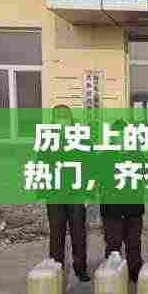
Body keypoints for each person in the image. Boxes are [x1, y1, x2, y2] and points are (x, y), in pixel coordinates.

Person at [43, 105, 90, 282]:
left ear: (70, 119)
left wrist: (88, 192)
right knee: (56, 233)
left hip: (75, 194)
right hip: (54, 194)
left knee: (78, 232)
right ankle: (56, 268)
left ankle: (80, 268)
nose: (61, 121)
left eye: (64, 117)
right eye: (58, 118)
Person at [99, 118, 145, 283]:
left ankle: (135, 271)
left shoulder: (137, 155)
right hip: (112, 210)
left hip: (133, 209)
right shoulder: (105, 156)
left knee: (134, 243)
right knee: (113, 243)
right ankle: (112, 274)